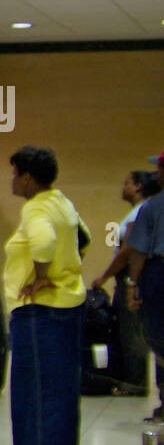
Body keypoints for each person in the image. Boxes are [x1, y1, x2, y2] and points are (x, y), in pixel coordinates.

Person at [0, 146, 89, 445]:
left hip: (39, 311)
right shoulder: (61, 202)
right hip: (68, 305)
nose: (12, 180)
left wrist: (41, 275)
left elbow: (44, 241)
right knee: (61, 384)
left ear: (28, 178)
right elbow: (85, 236)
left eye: (15, 174)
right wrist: (65, 270)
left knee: (32, 386)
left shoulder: (36, 209)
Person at [91, 170, 160, 396]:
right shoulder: (141, 211)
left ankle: (136, 381)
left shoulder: (139, 213)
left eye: (127, 183)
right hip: (135, 274)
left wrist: (105, 276)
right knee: (131, 327)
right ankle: (133, 378)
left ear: (139, 187)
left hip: (133, 274)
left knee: (132, 329)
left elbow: (128, 250)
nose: (123, 187)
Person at [126, 149, 164, 423]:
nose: (156, 174)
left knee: (159, 337)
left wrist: (132, 284)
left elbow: (137, 251)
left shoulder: (152, 207)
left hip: (159, 274)